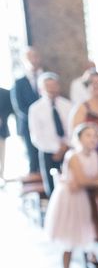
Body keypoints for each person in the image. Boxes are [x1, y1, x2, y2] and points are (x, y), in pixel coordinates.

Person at [44, 123, 98, 268]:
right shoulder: (73, 155)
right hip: (70, 200)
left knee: (87, 230)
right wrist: (97, 183)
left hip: (84, 197)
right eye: (88, 135)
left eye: (94, 136)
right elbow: (82, 180)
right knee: (69, 238)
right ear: (79, 139)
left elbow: (93, 178)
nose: (92, 139)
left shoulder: (94, 155)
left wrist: (94, 182)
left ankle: (91, 257)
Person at [28, 72, 73, 196]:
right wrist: (56, 149)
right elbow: (36, 136)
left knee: (71, 184)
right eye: (48, 86)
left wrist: (66, 146)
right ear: (41, 89)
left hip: (68, 150)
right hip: (48, 152)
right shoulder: (35, 109)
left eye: (54, 85)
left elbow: (72, 128)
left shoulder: (67, 105)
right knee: (53, 189)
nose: (51, 88)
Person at [10, 46, 42, 174]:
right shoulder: (19, 83)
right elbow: (20, 107)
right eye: (29, 57)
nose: (33, 60)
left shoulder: (47, 78)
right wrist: (35, 119)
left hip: (50, 124)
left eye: (35, 56)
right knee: (33, 158)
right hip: (28, 125)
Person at [0, 87, 12, 180]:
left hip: (1, 129)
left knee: (1, 155)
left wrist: (1, 118)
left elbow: (10, 109)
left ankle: (1, 176)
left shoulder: (5, 93)